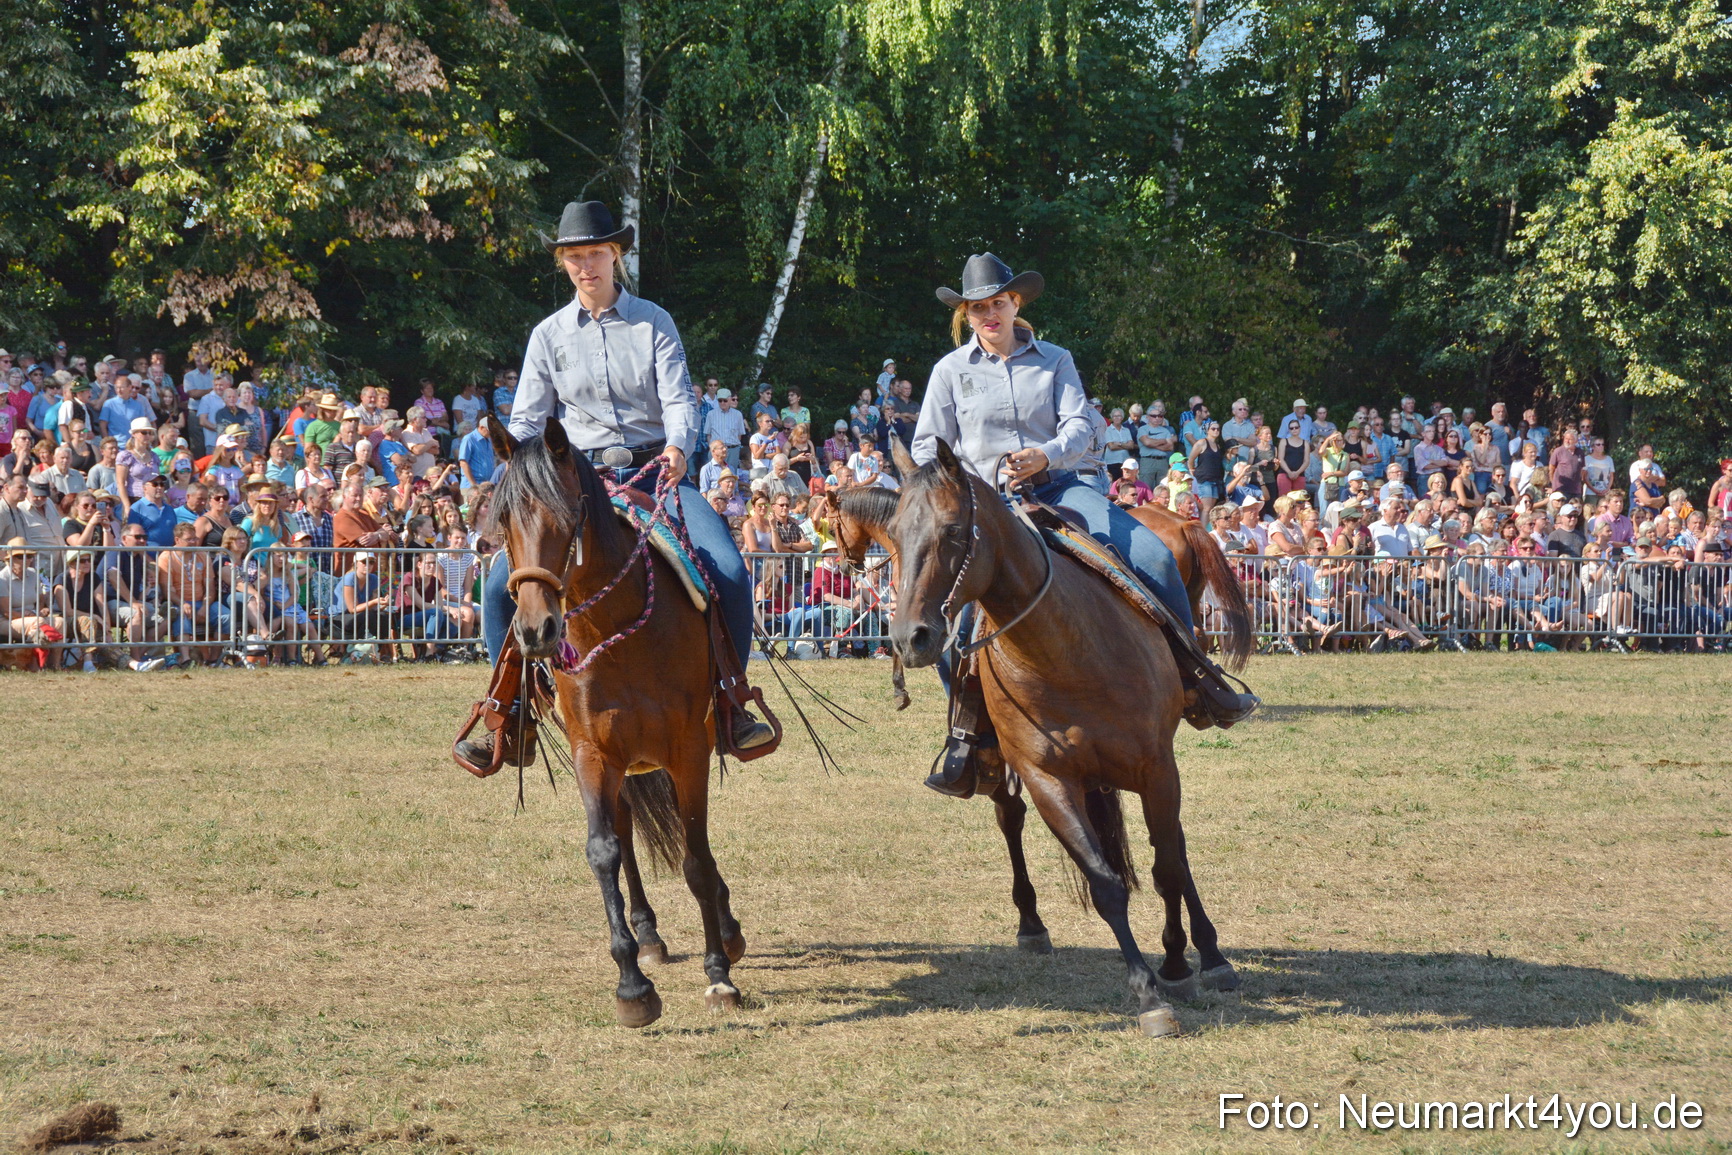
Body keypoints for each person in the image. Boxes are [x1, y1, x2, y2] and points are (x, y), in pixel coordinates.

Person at [909, 251, 1253, 787]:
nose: (988, 314)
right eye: (977, 308)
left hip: (1064, 486)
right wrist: (963, 480)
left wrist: (1045, 455)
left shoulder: (1055, 359)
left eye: (997, 302)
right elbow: (928, 444)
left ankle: (1198, 680)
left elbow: (1082, 426)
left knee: (1152, 555)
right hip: (986, 502)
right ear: (967, 315)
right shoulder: (949, 372)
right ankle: (969, 740)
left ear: (1014, 301)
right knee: (948, 620)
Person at [459, 200, 773, 771]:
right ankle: (513, 713)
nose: (586, 266)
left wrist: (679, 445)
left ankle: (731, 702)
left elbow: (680, 398)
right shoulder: (547, 335)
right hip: (576, 483)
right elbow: (530, 418)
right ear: (564, 264)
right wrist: (514, 454)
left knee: (727, 569)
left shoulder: (653, 320)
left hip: (657, 471)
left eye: (596, 253)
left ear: (616, 255)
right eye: (574, 257)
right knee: (499, 584)